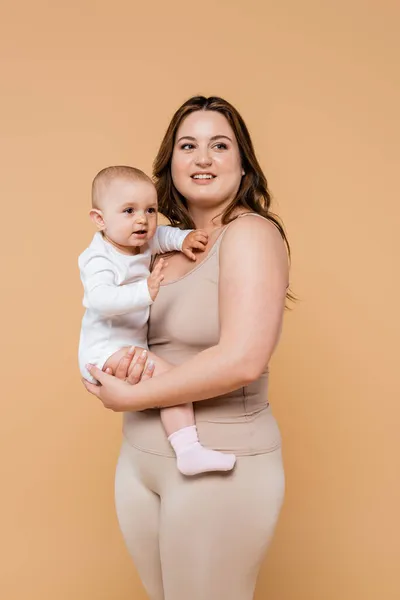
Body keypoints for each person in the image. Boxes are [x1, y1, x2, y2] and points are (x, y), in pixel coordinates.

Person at [83, 95, 291, 600]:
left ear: (243, 165)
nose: (202, 158)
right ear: (169, 162)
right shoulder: (160, 242)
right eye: (188, 145)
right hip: (140, 457)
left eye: (220, 145)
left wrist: (129, 397)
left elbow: (244, 358)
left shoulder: (251, 235)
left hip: (221, 458)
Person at [78, 165, 236, 475]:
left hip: (128, 344)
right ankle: (188, 450)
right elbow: (99, 300)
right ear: (100, 219)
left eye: (150, 210)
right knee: (172, 382)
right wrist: (145, 291)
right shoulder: (98, 258)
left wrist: (184, 239)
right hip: (103, 351)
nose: (142, 220)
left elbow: (162, 235)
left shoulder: (140, 239)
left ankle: (179, 448)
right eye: (128, 211)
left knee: (166, 385)